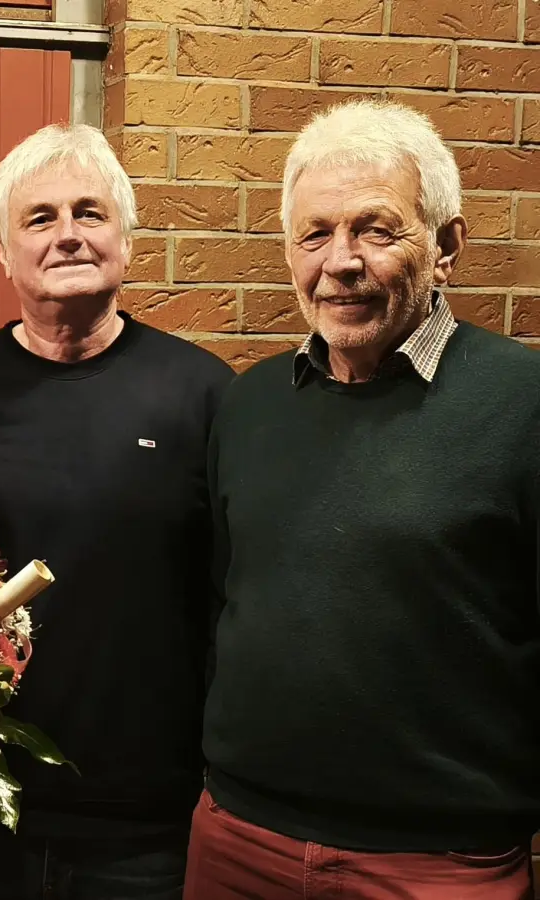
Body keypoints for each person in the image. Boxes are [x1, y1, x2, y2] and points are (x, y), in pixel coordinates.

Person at [187, 99, 540, 899]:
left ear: (446, 246)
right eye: (315, 234)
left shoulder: (524, 406)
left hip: (438, 863)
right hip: (241, 840)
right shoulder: (249, 406)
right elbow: (224, 604)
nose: (340, 261)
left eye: (375, 230)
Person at [0, 123, 231, 899]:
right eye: (40, 218)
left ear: (126, 238)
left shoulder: (206, 395)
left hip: (148, 823)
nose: (68, 235)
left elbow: (235, 598)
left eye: (90, 212)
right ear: (4, 251)